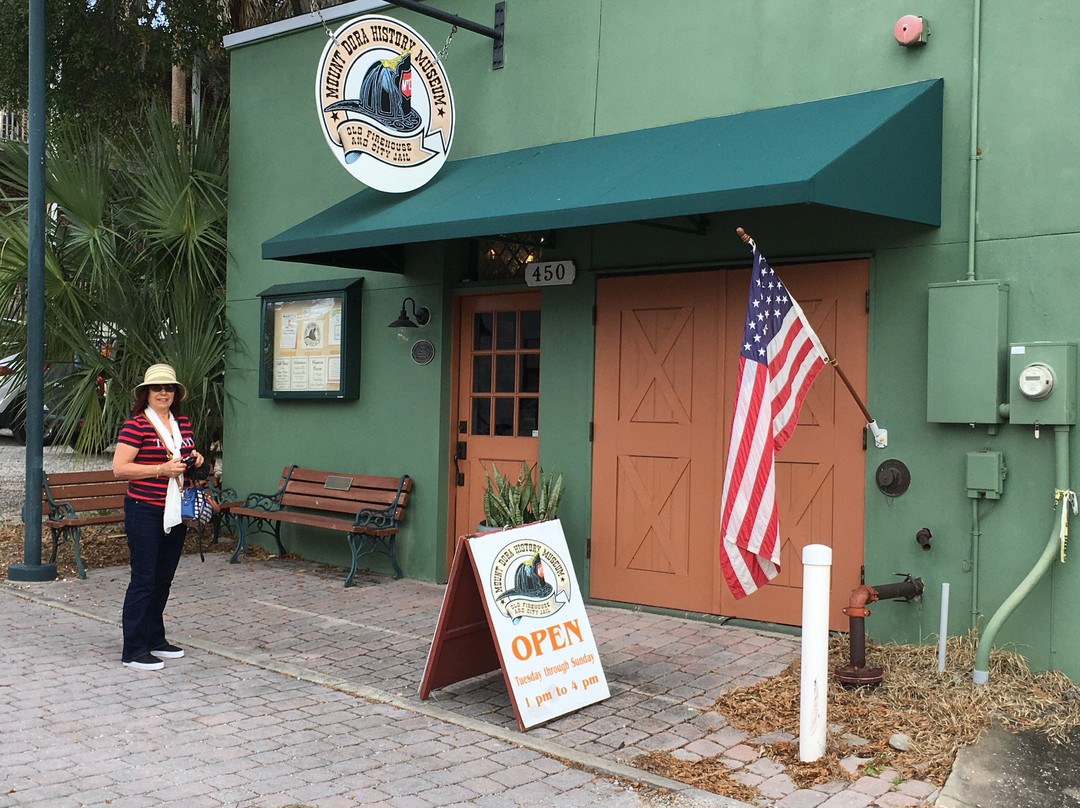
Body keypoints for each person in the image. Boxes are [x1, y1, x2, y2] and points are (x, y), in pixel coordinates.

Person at [112, 364, 204, 670]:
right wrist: (160, 470)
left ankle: (154, 638)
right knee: (143, 579)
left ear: (175, 393)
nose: (163, 392)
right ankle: (133, 649)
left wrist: (195, 458)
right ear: (146, 394)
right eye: (157, 388)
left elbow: (183, 456)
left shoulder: (183, 423)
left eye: (168, 388)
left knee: (163, 578)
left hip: (174, 509)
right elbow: (120, 468)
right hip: (144, 509)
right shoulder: (136, 425)